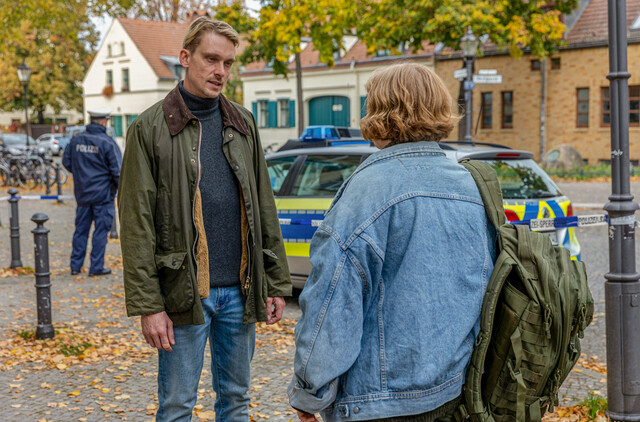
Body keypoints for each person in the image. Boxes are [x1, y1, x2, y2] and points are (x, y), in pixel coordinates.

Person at [288, 63, 497, 422]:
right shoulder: (467, 184)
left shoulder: (368, 188)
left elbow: (333, 297)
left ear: (381, 111)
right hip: (454, 389)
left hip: (380, 401)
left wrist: (310, 392)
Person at [118, 17, 291, 422]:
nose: (221, 72)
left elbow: (263, 206)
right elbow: (137, 223)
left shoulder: (243, 122)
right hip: (184, 294)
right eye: (212, 59)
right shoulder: (149, 128)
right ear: (184, 57)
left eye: (229, 63)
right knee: (177, 405)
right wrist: (149, 305)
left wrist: (274, 281)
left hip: (240, 293)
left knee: (236, 400)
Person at [62, 108, 121, 277]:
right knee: (101, 231)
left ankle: (75, 266)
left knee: (81, 230)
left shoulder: (76, 140)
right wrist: (117, 189)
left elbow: (66, 162)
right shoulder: (107, 142)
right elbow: (118, 171)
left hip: (82, 194)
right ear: (103, 122)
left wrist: (82, 175)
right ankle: (96, 267)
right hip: (103, 195)